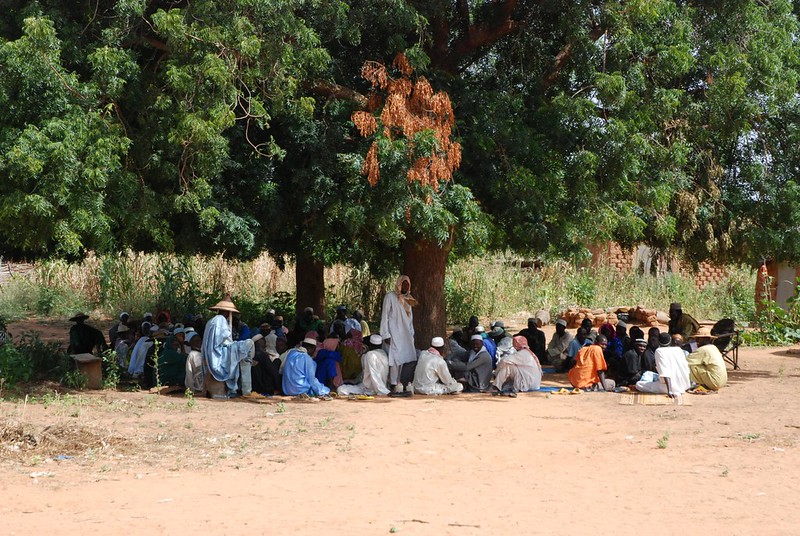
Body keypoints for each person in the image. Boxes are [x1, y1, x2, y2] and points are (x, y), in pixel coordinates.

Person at [202, 296, 256, 398]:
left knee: (244, 351)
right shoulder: (220, 320)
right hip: (218, 354)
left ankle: (243, 387)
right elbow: (221, 341)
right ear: (227, 312)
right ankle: (246, 390)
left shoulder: (211, 321)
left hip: (213, 353)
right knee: (249, 344)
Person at [379, 275, 418, 393]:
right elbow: (385, 316)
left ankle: (402, 383)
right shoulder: (390, 297)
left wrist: (411, 333)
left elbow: (410, 318)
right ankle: (393, 383)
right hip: (394, 333)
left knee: (406, 358)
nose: (405, 287)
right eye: (403, 284)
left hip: (406, 334)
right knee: (395, 359)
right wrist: (385, 334)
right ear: (399, 284)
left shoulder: (409, 299)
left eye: (407, 285)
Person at [635, 332, 691, 397]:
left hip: (672, 387)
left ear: (658, 341)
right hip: (684, 384)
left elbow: (665, 372)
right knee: (648, 373)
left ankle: (671, 390)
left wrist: (669, 390)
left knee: (639, 384)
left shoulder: (659, 351)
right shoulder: (678, 350)